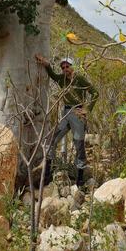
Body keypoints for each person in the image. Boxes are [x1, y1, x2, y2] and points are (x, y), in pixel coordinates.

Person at [35, 54, 98, 187]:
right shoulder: (62, 79)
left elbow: (95, 93)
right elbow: (52, 74)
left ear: (72, 67)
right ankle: (47, 175)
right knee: (52, 139)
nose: (65, 69)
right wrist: (46, 64)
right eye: (63, 67)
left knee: (79, 144)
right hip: (65, 113)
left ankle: (80, 179)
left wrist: (88, 109)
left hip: (77, 113)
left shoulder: (79, 79)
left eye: (67, 66)